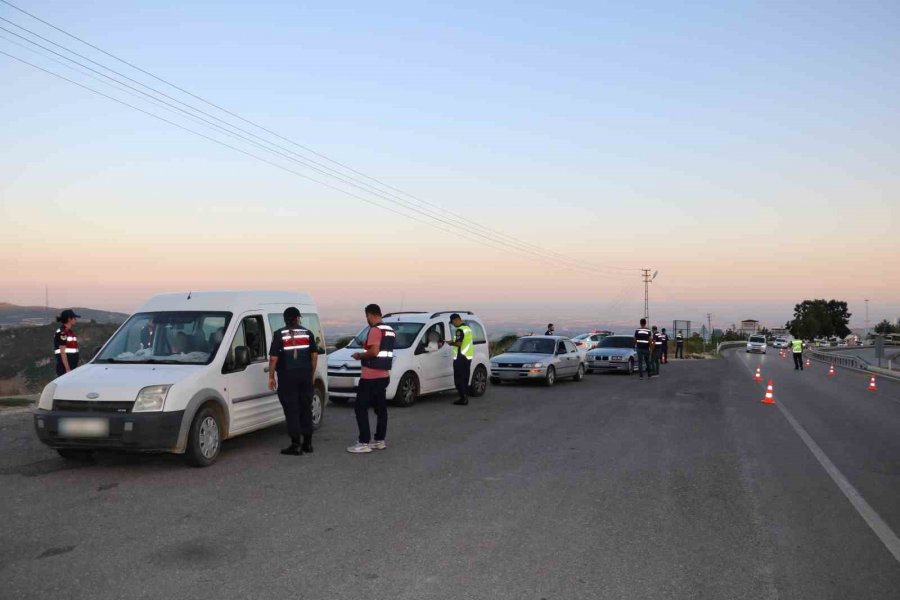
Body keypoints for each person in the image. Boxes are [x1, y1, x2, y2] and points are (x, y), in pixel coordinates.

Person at [268, 307, 318, 456]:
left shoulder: (279, 335)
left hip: (287, 378)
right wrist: (311, 374)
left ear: (285, 319)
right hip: (305, 376)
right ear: (297, 319)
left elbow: (273, 359)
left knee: (292, 411)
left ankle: (296, 445)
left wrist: (271, 377)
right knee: (306, 408)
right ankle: (308, 444)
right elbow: (314, 356)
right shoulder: (308, 333)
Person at [347, 304, 395, 454]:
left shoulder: (374, 330)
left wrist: (360, 355)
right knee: (381, 408)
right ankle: (379, 440)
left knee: (360, 407)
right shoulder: (389, 330)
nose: (367, 319)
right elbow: (381, 349)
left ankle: (363, 442)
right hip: (383, 375)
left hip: (370, 376)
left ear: (371, 315)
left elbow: (374, 352)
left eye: (367, 316)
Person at [448, 313, 474, 406]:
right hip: (468, 357)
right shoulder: (468, 329)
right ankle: (465, 397)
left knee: (459, 379)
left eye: (452, 322)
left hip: (461, 357)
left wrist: (451, 343)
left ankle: (463, 398)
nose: (452, 324)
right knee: (465, 378)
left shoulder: (460, 330)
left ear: (456, 320)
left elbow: (459, 344)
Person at [53, 309, 80, 376]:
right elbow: (63, 352)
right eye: (74, 318)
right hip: (64, 369)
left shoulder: (69, 332)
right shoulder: (63, 333)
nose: (75, 319)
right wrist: (67, 369)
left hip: (72, 366)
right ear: (69, 319)